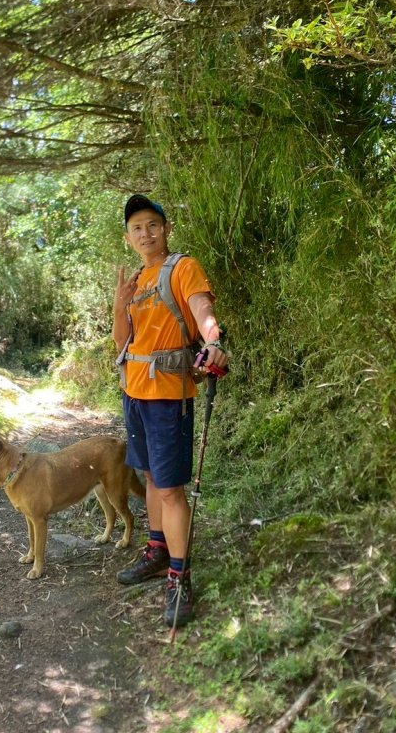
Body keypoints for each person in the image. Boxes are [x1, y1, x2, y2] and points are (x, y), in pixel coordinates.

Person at [113, 194, 228, 627]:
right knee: (148, 478)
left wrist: (213, 339)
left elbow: (202, 308)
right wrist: (119, 305)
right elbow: (121, 342)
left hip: (168, 394)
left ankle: (180, 576)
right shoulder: (138, 278)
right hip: (134, 392)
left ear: (165, 229)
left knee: (170, 489)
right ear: (128, 238)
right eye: (137, 228)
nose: (146, 233)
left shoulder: (182, 268)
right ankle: (158, 551)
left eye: (152, 225)